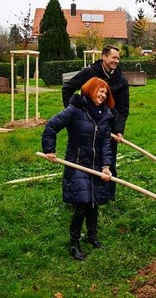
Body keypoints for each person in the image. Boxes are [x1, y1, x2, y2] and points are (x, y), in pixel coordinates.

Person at [42, 77, 115, 260]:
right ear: (90, 90)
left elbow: (106, 144)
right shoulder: (75, 110)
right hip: (77, 164)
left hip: (97, 164)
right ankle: (74, 243)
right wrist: (49, 150)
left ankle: (92, 237)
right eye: (100, 90)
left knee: (94, 203)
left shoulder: (105, 114)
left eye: (105, 92)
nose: (103, 94)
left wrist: (106, 167)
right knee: (82, 203)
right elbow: (51, 126)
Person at [62, 45, 129, 201]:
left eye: (118, 58)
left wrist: (118, 129)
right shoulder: (89, 73)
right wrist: (73, 113)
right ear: (104, 57)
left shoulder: (121, 80)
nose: (116, 61)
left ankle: (106, 196)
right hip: (85, 124)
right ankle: (77, 197)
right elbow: (68, 88)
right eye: (113, 57)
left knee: (108, 159)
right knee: (82, 159)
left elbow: (123, 108)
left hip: (107, 125)